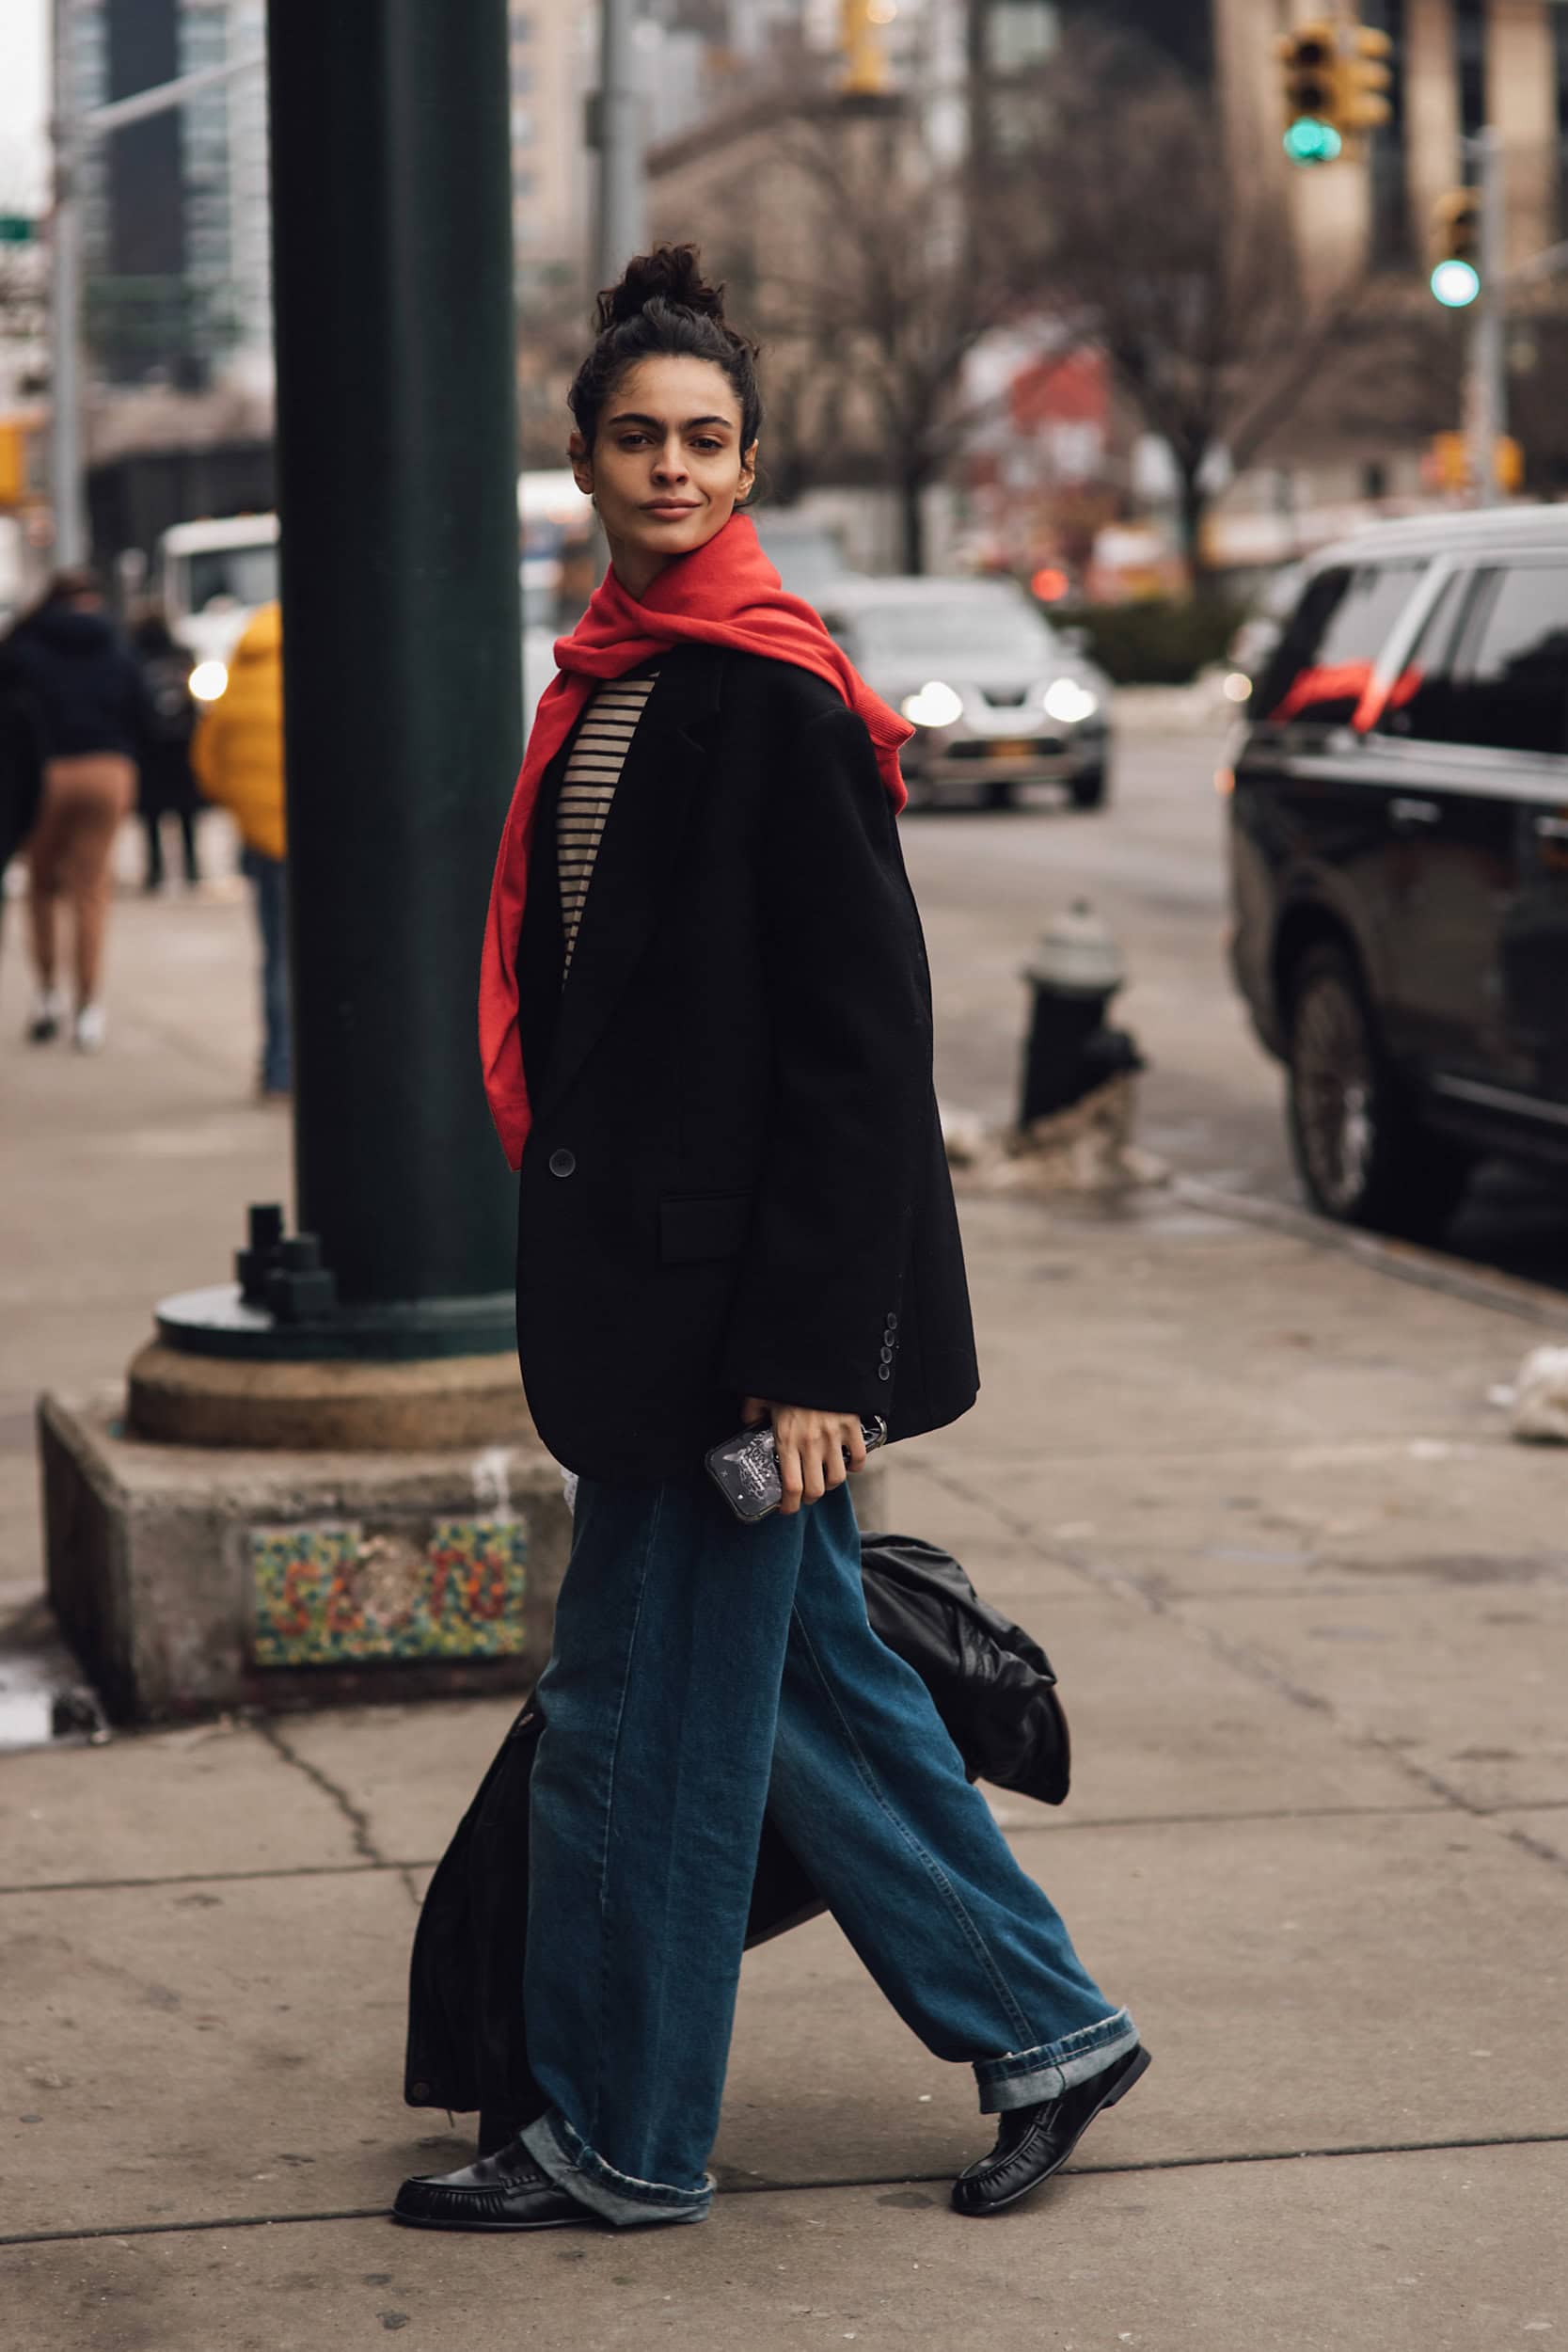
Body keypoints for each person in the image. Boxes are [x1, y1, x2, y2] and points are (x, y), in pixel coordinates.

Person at [395, 246, 1145, 2240]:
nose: (671, 466)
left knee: (633, 1731)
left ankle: (621, 2136)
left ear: (748, 463)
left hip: (736, 1327)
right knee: (816, 1695)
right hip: (657, 1291)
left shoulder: (772, 692)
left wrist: (820, 1361)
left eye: (705, 439)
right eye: (638, 436)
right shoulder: (614, 678)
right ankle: (1048, 2026)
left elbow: (858, 1057)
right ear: (581, 458)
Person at [2, 567, 150, 1051]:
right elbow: (143, 711)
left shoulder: (24, 647)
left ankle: (48, 995)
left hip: (44, 773)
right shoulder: (114, 645)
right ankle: (88, 1008)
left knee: (42, 887)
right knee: (90, 889)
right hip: (107, 769)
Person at [190, 600, 291, 1099]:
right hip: (328, 845)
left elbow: (208, 762)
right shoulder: (324, 671)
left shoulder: (238, 678)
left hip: (264, 842)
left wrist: (247, 812)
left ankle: (279, 1067)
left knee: (277, 955)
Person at [130, 610, 202, 891]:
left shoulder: (133, 658)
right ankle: (192, 867)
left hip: (148, 746)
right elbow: (195, 700)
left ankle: (155, 870)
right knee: (186, 811)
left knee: (151, 813)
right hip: (182, 743)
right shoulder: (182, 655)